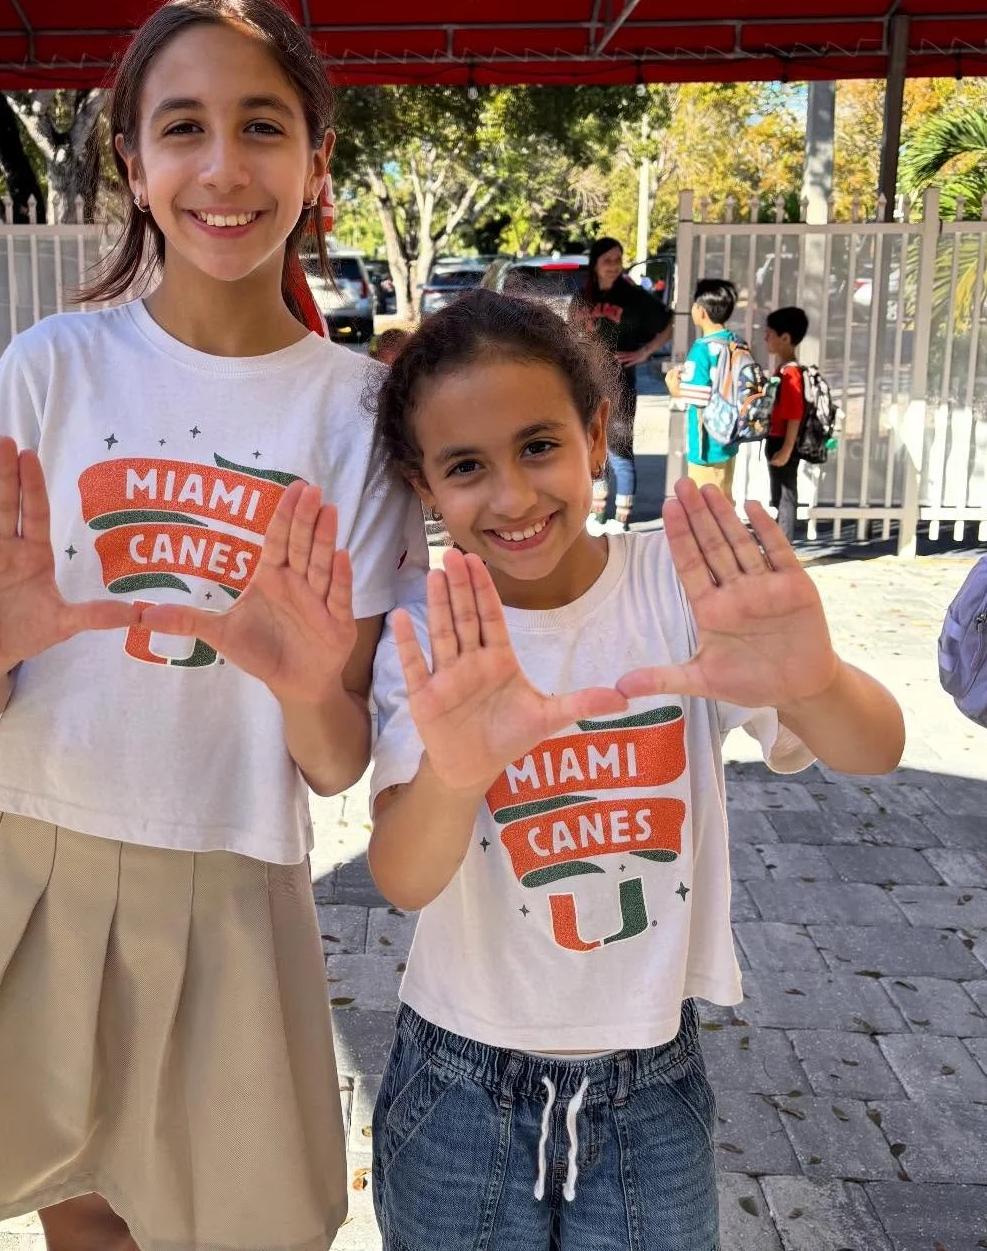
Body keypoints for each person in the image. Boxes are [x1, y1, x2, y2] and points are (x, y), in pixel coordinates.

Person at [0, 0, 422, 1251]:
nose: (223, 167)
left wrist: (300, 683)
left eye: (264, 126)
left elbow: (335, 765)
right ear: (132, 159)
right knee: (88, 1224)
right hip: (42, 852)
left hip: (237, 877)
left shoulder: (356, 417)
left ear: (317, 158)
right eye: (183, 128)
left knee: (241, 1224)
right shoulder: (52, 368)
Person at [364, 290, 904, 1251]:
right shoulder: (430, 633)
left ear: (597, 430)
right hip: (456, 1085)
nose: (515, 496)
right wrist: (456, 772)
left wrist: (813, 679)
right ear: (423, 482)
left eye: (538, 446)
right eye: (465, 467)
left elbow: (878, 750)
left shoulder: (677, 588)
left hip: (649, 1079)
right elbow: (404, 880)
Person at [570, 237, 674, 532]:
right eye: (608, 260)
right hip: (587, 384)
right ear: (596, 264)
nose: (614, 266)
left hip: (620, 384)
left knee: (619, 448)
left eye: (618, 259)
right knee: (590, 446)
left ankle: (621, 518)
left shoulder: (633, 297)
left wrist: (644, 352)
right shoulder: (582, 297)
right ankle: (599, 515)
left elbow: (670, 323)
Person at [666, 278, 743, 498]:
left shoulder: (701, 349)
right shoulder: (736, 342)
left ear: (700, 311)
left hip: (707, 443)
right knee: (725, 498)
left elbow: (699, 396)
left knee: (706, 501)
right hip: (730, 437)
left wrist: (675, 389)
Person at [765, 306, 808, 541]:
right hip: (777, 439)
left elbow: (794, 414)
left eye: (769, 333)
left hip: (782, 440)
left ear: (785, 338)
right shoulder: (782, 370)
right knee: (780, 494)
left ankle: (784, 545)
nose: (765, 339)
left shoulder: (791, 374)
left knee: (785, 496)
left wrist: (787, 448)